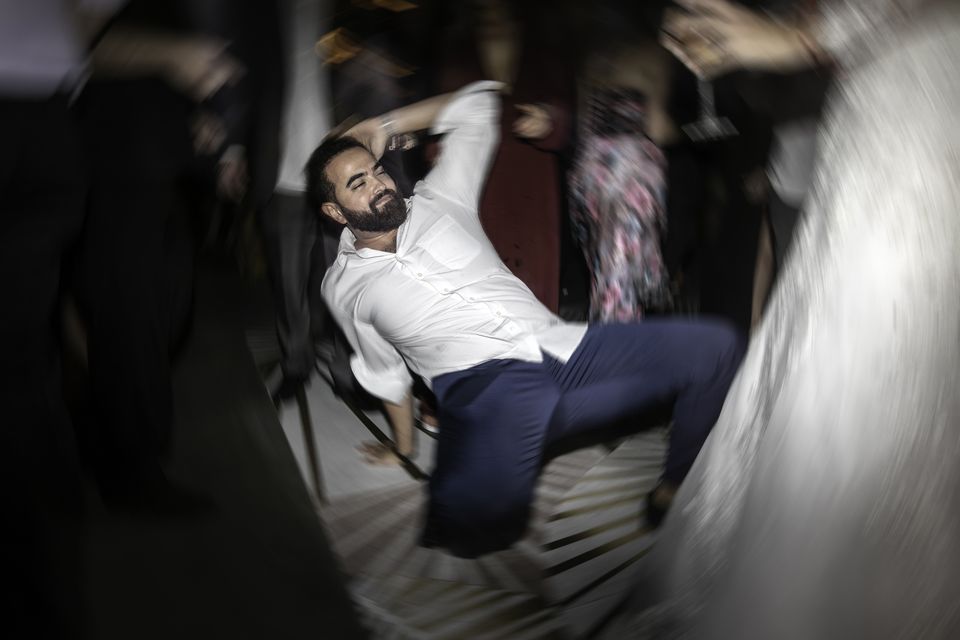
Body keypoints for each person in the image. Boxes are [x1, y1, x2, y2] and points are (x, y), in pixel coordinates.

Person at [614, 0, 960, 637]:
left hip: (930, 102)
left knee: (895, 333)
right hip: (862, 114)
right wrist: (771, 38)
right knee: (818, 333)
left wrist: (807, 35)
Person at [306, 81, 744, 558]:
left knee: (716, 348)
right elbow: (384, 371)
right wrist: (404, 447)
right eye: (359, 184)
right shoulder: (344, 288)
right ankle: (464, 499)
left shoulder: (438, 201)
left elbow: (480, 106)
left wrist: (381, 126)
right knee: (472, 530)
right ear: (334, 211)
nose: (380, 185)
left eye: (375, 171)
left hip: (564, 350)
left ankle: (672, 487)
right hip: (483, 388)